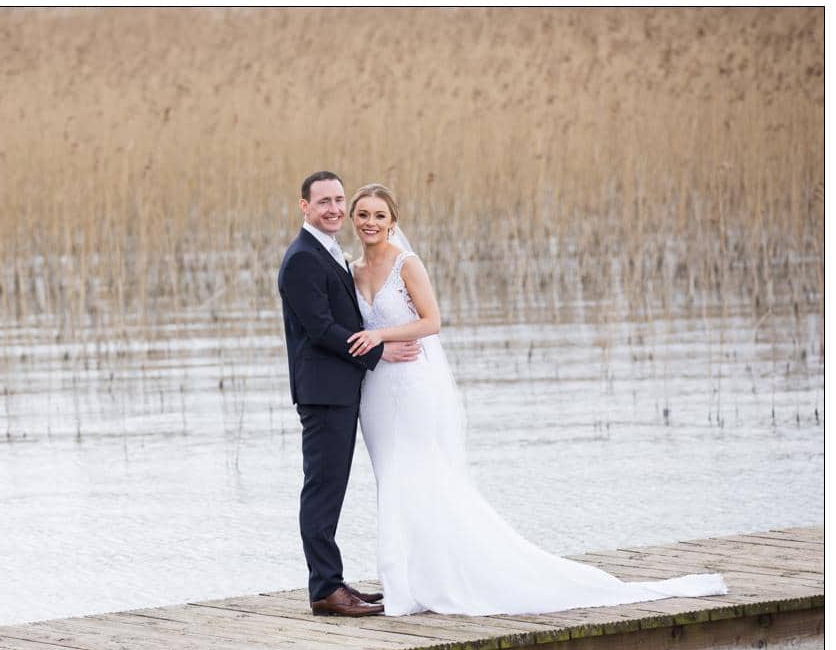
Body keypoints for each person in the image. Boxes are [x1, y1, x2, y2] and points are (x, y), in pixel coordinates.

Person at [345, 183, 728, 616]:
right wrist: (377, 347)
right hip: (375, 392)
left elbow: (432, 322)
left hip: (412, 385)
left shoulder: (407, 265)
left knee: (423, 476)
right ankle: (405, 581)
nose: (370, 222)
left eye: (379, 215)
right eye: (363, 214)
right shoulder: (351, 269)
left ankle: (442, 577)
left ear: (392, 220)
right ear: (353, 220)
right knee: (391, 480)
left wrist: (381, 334)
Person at [277, 172, 421, 617]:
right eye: (324, 202)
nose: (335, 209)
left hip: (339, 388)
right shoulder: (302, 258)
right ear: (304, 206)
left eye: (339, 200)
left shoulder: (328, 250)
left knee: (332, 486)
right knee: (322, 488)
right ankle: (324, 588)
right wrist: (379, 349)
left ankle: (334, 581)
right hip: (323, 393)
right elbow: (320, 330)